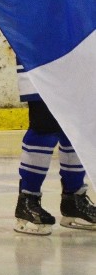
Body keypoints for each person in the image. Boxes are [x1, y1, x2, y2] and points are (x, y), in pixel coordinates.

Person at [14, 67, 96, 235]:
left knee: (75, 126)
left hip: (71, 60)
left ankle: (73, 200)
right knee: (44, 126)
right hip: (39, 59)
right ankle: (28, 200)